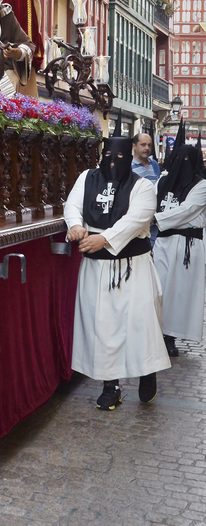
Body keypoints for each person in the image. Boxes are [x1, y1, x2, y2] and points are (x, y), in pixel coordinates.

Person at [64, 125, 170, 410]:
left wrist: (105, 239)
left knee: (140, 322)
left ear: (129, 155)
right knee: (103, 327)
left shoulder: (142, 186)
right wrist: (75, 225)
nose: (113, 162)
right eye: (108, 155)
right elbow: (72, 205)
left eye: (120, 156)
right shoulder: (87, 177)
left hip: (133, 266)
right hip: (97, 269)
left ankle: (147, 370)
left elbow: (136, 219)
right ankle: (111, 386)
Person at [153, 145, 206, 359]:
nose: (181, 163)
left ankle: (170, 336)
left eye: (186, 160)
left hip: (187, 245)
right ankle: (155, 333)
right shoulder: (162, 181)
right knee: (159, 289)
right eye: (178, 158)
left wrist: (156, 219)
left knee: (179, 293)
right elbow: (152, 203)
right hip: (163, 243)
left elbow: (188, 209)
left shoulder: (201, 185)